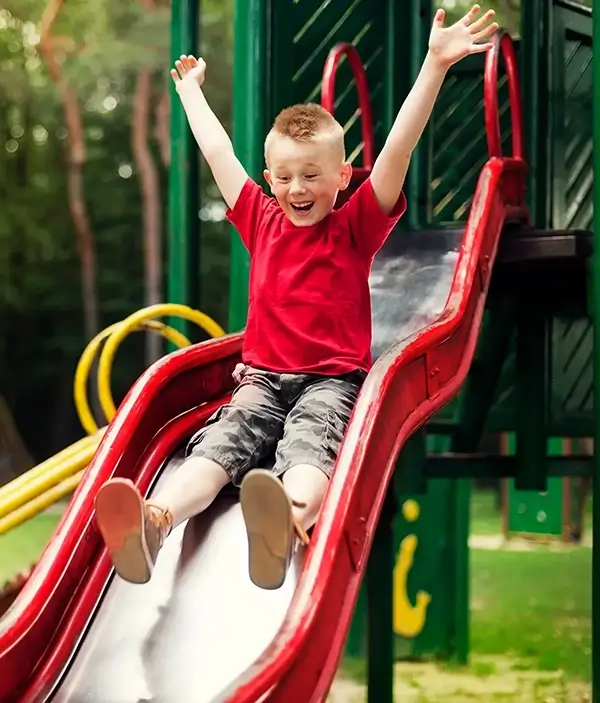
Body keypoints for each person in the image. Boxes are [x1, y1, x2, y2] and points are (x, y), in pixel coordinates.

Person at [94, 5, 498, 590]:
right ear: (268, 175)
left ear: (342, 177)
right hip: (259, 380)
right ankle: (157, 521)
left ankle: (288, 520)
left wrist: (434, 65)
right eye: (282, 176)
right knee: (217, 449)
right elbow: (219, 155)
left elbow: (398, 151)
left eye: (312, 175)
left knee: (311, 452)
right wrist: (190, 95)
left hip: (331, 382)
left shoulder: (356, 224)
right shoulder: (260, 218)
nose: (296, 188)